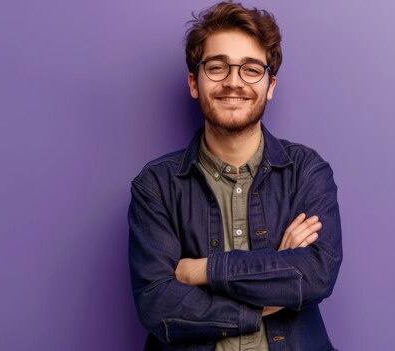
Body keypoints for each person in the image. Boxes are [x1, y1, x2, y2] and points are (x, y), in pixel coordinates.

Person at [128, 2, 342, 350]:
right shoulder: (156, 186)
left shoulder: (306, 171)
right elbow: (157, 305)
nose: (233, 82)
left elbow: (314, 275)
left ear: (270, 85)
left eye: (251, 69)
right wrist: (274, 285)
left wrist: (203, 271)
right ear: (194, 83)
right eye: (217, 67)